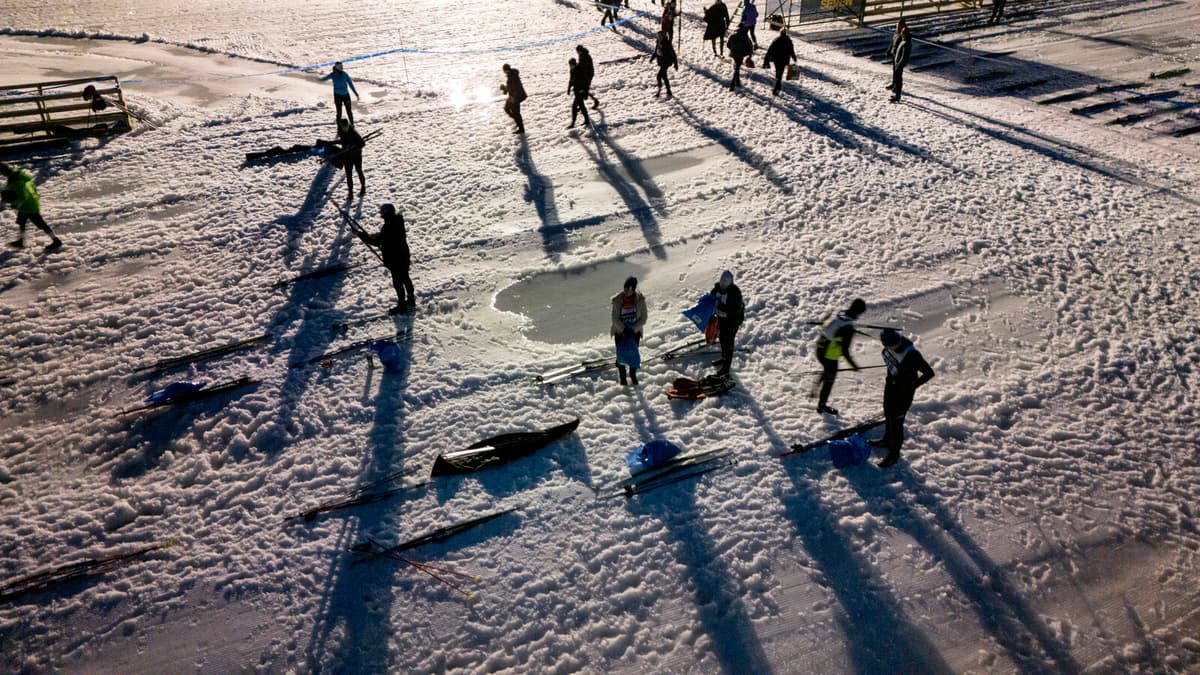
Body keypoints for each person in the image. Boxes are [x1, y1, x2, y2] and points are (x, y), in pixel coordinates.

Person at [873, 328, 934, 468]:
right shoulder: (889, 347)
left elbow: (929, 373)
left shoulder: (912, 354)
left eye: (895, 343)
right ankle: (886, 440)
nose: (892, 347)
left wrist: (913, 385)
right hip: (890, 387)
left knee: (897, 423)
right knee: (888, 415)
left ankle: (894, 454)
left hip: (904, 393)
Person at [358, 203, 415, 315]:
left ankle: (402, 306)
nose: (381, 215)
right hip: (403, 256)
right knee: (405, 277)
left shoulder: (388, 227)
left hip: (395, 260)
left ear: (386, 213)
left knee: (398, 283)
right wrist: (371, 235)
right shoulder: (397, 221)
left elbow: (378, 241)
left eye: (382, 213)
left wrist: (362, 235)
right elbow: (382, 236)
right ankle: (411, 299)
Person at [813, 298, 866, 416]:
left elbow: (826, 322)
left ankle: (817, 386)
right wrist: (853, 365)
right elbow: (845, 351)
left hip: (819, 348)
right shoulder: (848, 328)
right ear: (859, 312)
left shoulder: (840, 313)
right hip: (829, 356)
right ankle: (821, 405)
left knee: (827, 370)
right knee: (829, 381)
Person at [1, 162, 62, 251]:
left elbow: (23, 196)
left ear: (4, 171)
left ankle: (56, 240)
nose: (1, 175)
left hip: (29, 206)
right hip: (26, 205)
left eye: (1, 173)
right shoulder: (15, 177)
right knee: (21, 222)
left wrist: (16, 204)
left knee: (40, 223)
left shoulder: (17, 180)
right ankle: (21, 241)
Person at [611, 276, 647, 386]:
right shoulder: (617, 300)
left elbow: (643, 318)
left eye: (628, 289)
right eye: (624, 288)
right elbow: (614, 318)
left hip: (634, 332)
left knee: (633, 354)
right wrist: (623, 329)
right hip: (620, 331)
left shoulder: (640, 300)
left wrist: (634, 328)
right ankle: (622, 377)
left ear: (633, 289)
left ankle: (632, 374)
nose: (625, 291)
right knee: (620, 353)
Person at [710, 270, 744, 376]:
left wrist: (721, 307)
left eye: (725, 285)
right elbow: (713, 295)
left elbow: (735, 309)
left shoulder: (735, 293)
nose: (722, 287)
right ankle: (723, 358)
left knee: (728, 343)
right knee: (721, 339)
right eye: (721, 284)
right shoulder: (718, 288)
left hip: (732, 322)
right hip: (722, 320)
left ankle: (726, 368)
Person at [320, 62, 360, 126]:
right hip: (337, 96)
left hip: (346, 95)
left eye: (342, 66)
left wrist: (356, 94)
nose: (342, 68)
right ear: (336, 67)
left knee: (349, 111)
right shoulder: (333, 75)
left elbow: (351, 84)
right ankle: (339, 127)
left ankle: (352, 125)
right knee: (339, 112)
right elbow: (323, 79)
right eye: (340, 66)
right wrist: (314, 79)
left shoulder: (345, 74)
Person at [335, 118, 366, 199]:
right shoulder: (341, 132)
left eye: (346, 127)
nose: (345, 128)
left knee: (359, 171)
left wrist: (354, 147)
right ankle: (350, 192)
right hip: (347, 157)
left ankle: (363, 187)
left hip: (356, 157)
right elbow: (342, 142)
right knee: (349, 175)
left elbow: (362, 144)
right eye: (343, 127)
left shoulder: (354, 133)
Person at [763, 28, 797, 96]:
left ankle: (778, 84)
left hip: (776, 59)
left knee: (778, 71)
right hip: (784, 60)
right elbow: (791, 50)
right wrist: (794, 57)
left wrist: (766, 60)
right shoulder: (788, 41)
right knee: (780, 74)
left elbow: (770, 50)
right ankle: (776, 88)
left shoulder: (776, 40)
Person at [885, 20, 912, 103]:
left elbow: (904, 55)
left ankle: (897, 95)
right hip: (896, 58)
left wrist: (899, 64)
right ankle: (895, 88)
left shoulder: (905, 42)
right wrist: (889, 50)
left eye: (898, 26)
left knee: (898, 77)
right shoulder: (901, 37)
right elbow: (893, 42)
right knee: (896, 74)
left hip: (899, 61)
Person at [649, 31, 678, 99]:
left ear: (663, 36)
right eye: (658, 36)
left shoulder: (667, 44)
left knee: (659, 76)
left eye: (660, 36)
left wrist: (675, 64)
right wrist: (652, 59)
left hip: (667, 62)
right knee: (664, 77)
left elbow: (673, 54)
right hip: (662, 62)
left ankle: (659, 91)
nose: (658, 37)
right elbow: (656, 52)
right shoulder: (658, 43)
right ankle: (669, 91)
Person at [501, 64, 527, 134]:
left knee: (516, 113)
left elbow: (512, 88)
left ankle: (521, 129)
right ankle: (517, 122)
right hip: (514, 96)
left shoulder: (512, 77)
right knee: (507, 108)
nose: (504, 72)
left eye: (504, 71)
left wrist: (504, 88)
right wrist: (505, 89)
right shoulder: (512, 75)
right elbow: (510, 88)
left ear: (506, 70)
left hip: (516, 97)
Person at [567, 58, 593, 129]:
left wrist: (584, 90)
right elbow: (571, 80)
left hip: (581, 91)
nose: (570, 66)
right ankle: (587, 120)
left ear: (574, 64)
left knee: (574, 107)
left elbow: (586, 81)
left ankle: (573, 123)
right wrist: (569, 88)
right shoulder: (572, 70)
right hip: (576, 91)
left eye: (571, 64)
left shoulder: (580, 70)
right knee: (581, 106)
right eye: (570, 65)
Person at [575, 45, 601, 110]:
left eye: (577, 51)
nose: (577, 53)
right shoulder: (582, 55)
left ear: (580, 51)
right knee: (583, 90)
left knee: (583, 90)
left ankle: (582, 105)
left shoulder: (585, 56)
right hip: (586, 75)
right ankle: (593, 101)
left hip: (587, 75)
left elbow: (584, 66)